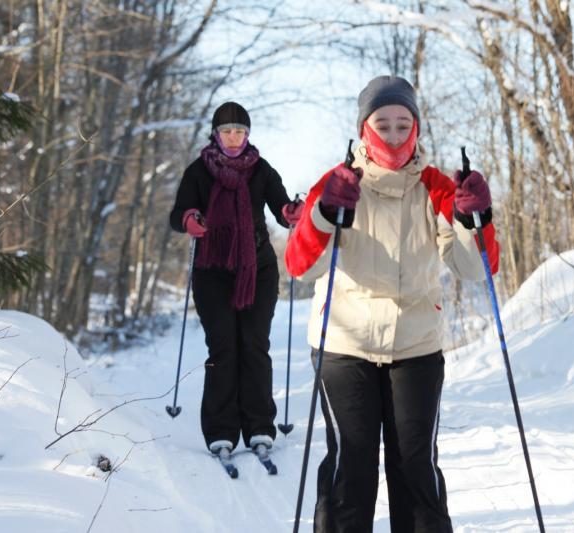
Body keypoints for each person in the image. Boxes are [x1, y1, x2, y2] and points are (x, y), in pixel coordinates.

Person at [285, 76, 500, 532]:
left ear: (417, 128)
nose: (395, 135)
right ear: (365, 127)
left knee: (415, 467)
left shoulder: (437, 185)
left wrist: (472, 218)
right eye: (383, 124)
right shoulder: (338, 183)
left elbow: (473, 267)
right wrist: (324, 213)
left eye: (404, 124)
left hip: (416, 346)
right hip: (344, 345)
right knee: (351, 467)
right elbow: (301, 266)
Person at [169, 102, 304, 457]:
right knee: (224, 347)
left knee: (255, 346)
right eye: (227, 131)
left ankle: (260, 426)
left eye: (240, 131)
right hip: (212, 272)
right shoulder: (199, 171)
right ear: (216, 134)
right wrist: (189, 219)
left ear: (248, 135)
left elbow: (282, 209)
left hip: (256, 270)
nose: (233, 137)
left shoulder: (261, 170)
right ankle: (220, 430)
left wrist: (292, 212)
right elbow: (178, 213)